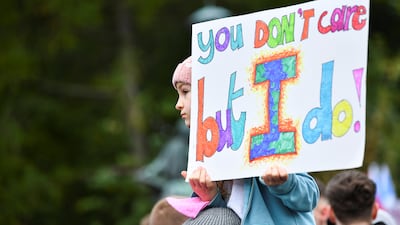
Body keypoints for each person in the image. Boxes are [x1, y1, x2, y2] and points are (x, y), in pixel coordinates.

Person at [147, 56, 319, 225]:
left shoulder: (267, 139)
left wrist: (285, 183)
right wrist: (211, 195)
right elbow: (229, 217)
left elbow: (309, 198)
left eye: (185, 92)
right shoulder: (211, 154)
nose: (178, 104)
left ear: (212, 94)